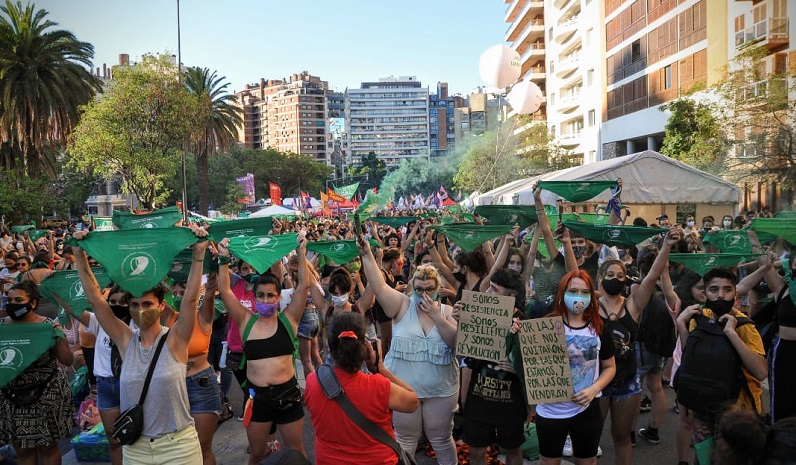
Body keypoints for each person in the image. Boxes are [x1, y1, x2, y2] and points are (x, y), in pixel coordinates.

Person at [71, 227, 207, 465]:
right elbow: (95, 299)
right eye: (134, 304)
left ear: (162, 305)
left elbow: (191, 300)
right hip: (136, 448)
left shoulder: (176, 339)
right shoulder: (125, 340)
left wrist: (199, 253)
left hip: (178, 447)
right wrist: (79, 253)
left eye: (147, 303)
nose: (140, 310)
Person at [358, 237, 460, 465]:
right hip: (404, 387)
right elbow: (379, 286)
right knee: (405, 440)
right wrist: (367, 256)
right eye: (420, 289)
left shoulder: (448, 311)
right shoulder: (402, 305)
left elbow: (455, 343)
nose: (424, 294)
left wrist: (435, 315)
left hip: (440, 390)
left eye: (430, 290)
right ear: (413, 286)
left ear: (438, 289)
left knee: (442, 438)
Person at [217, 237, 309, 463]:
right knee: (257, 454)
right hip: (257, 399)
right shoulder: (246, 321)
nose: (265, 299)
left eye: (270, 295)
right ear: (254, 297)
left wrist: (301, 251)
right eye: (260, 295)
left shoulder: (290, 320)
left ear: (279, 298)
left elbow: (304, 286)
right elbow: (224, 290)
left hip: (288, 396)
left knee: (296, 452)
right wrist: (222, 257)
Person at [595, 228, 679, 465]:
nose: (616, 279)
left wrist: (666, 247)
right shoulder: (589, 303)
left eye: (621, 276)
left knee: (622, 437)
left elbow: (652, 276)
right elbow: (572, 274)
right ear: (600, 278)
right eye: (610, 274)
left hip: (627, 381)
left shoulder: (633, 304)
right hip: (596, 381)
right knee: (591, 436)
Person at [675, 267, 768, 461]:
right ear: (704, 293)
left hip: (738, 413)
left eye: (727, 290)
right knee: (704, 458)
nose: (720, 295)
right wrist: (681, 325)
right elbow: (691, 357)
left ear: (735, 294)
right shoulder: (699, 319)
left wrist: (732, 334)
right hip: (704, 408)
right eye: (714, 289)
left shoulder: (744, 327)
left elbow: (760, 372)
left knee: (732, 459)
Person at [304, 311, 419, 465]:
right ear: (366, 348)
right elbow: (413, 402)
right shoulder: (378, 386)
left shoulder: (313, 382)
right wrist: (381, 369)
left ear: (328, 346)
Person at [534, 270, 617, 465]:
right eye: (573, 290)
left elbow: (610, 367)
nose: (578, 296)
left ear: (591, 295)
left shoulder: (599, 327)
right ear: (563, 292)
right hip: (550, 410)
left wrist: (593, 389)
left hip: (586, 409)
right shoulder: (546, 324)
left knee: (587, 461)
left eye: (584, 292)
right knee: (548, 460)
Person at [52, 283, 131, 465]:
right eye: (113, 301)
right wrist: (54, 289)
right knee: (114, 440)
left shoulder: (137, 325)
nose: (117, 305)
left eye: (123, 302)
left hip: (130, 384)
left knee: (135, 437)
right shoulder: (98, 321)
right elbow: (72, 309)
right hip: (106, 386)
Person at [457, 268, 529, 465]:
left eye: (494, 289)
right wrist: (462, 323)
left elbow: (535, 370)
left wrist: (516, 367)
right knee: (476, 452)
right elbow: (468, 360)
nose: (487, 292)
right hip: (480, 400)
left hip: (511, 404)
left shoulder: (525, 324)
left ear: (511, 296)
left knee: (514, 450)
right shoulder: (479, 316)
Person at [0, 282, 74, 465]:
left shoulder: (48, 326)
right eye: (9, 300)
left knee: (47, 447)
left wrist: (59, 338)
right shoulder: (2, 327)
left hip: (46, 394)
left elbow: (67, 360)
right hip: (12, 396)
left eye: (19, 300)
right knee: (22, 450)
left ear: (32, 303)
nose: (12, 304)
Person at [173, 274, 222, 465]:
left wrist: (209, 287)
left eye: (183, 292)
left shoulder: (202, 317)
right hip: (174, 386)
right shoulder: (168, 317)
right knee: (180, 450)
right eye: (175, 293)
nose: (178, 297)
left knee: (201, 448)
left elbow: (209, 295)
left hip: (201, 385)